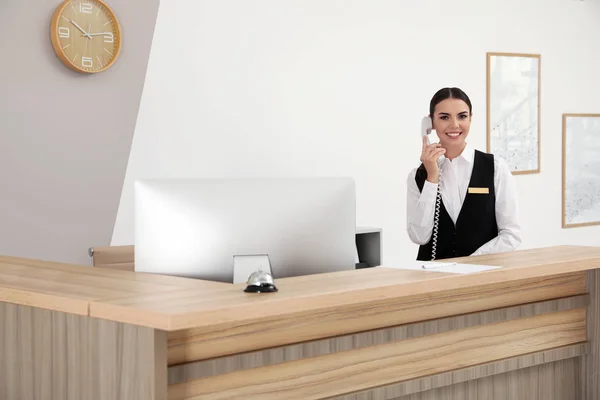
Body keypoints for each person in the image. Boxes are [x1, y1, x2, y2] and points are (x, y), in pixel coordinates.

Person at [406, 87, 521, 261]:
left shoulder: (495, 168)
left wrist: (471, 261)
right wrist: (432, 178)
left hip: (481, 276)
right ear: (430, 124)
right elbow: (419, 237)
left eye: (462, 116)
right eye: (444, 117)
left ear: (470, 118)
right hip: (431, 278)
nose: (454, 125)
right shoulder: (417, 176)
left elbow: (511, 235)